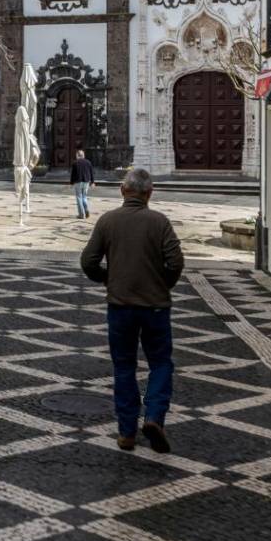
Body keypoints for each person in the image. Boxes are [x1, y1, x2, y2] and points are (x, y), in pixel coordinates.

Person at [80, 168, 184, 453]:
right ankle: (153, 417)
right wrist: (162, 285)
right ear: (149, 193)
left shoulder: (108, 221)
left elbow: (88, 261)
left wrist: (107, 278)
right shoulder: (160, 222)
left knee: (124, 367)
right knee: (161, 364)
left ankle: (127, 433)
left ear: (122, 191)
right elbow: (176, 262)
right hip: (155, 308)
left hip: (120, 307)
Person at [70, 150, 95, 219]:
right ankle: (86, 209)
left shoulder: (75, 163)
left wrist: (71, 183)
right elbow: (91, 172)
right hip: (86, 181)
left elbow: (73, 174)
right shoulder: (88, 162)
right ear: (83, 155)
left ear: (77, 155)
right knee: (84, 196)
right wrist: (92, 182)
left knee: (79, 197)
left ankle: (81, 214)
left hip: (78, 182)